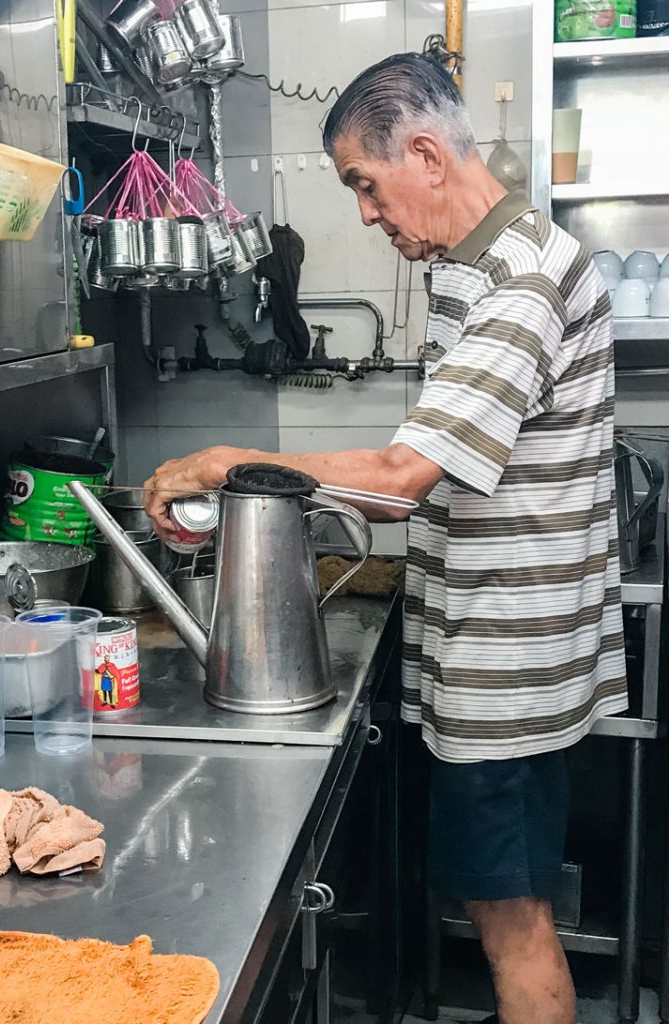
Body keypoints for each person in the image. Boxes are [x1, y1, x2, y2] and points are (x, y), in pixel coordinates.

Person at [143, 52, 627, 1024]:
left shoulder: (519, 282)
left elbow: (404, 478)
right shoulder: (468, 266)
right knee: (503, 905)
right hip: (488, 650)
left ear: (423, 154)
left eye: (366, 184)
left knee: (513, 920)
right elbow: (434, 471)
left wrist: (226, 460)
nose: (365, 213)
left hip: (507, 672)